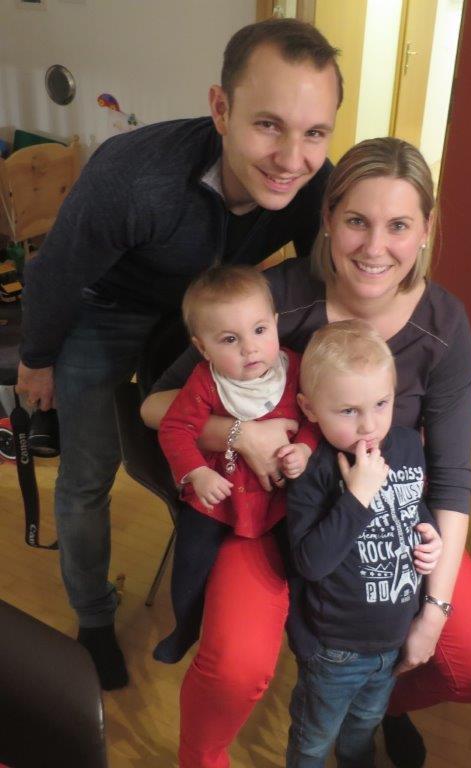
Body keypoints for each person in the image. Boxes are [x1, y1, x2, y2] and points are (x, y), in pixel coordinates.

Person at [143, 137, 471, 768]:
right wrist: (240, 434)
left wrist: (432, 614)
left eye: (399, 225)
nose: (374, 247)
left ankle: (376, 699)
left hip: (384, 524)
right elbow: (157, 404)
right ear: (327, 219)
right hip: (270, 516)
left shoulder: (443, 324)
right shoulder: (273, 299)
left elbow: (452, 478)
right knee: (234, 668)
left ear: (426, 229)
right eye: (356, 221)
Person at [15, 17, 342, 690]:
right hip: (104, 310)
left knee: (199, 454)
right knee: (87, 475)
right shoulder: (132, 175)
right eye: (269, 125)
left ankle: (221, 580)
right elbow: (54, 274)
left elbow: (331, 276)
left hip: (209, 314)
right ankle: (94, 618)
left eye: (315, 132)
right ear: (221, 109)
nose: (292, 158)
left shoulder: (314, 183)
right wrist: (37, 359)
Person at [285, 319, 442, 767]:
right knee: (314, 741)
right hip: (335, 647)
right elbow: (310, 562)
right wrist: (357, 496)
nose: (369, 425)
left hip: (392, 639)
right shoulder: (314, 469)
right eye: (348, 411)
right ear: (310, 408)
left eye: (381, 403)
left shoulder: (406, 444)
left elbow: (412, 504)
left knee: (364, 728)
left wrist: (430, 533)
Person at [155, 265, 317, 663]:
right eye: (230, 339)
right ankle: (185, 626)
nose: (250, 348)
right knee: (190, 565)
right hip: (219, 495)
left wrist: (305, 449)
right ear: (203, 348)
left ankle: (305, 636)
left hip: (281, 497)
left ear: (276, 323)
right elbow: (174, 428)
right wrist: (197, 472)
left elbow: (316, 419)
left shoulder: (296, 368)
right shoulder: (205, 382)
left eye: (260, 330)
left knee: (303, 563)